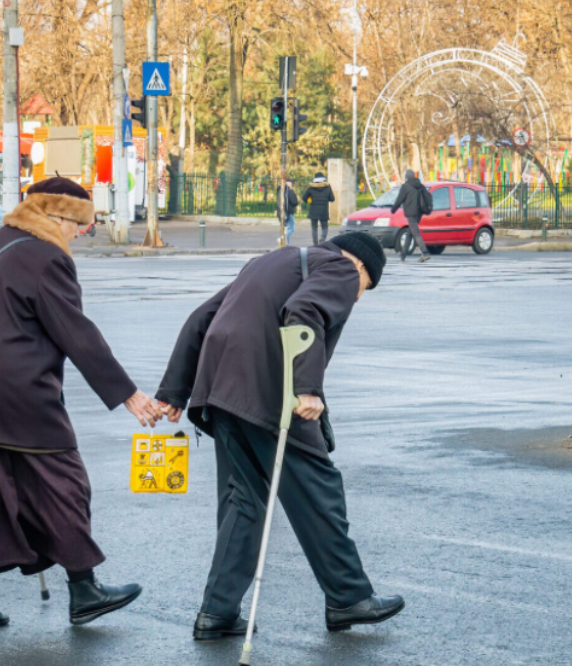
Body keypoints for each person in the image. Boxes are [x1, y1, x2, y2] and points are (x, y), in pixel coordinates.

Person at [0, 177, 162, 632]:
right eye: (81, 226)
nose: (80, 235)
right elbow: (75, 331)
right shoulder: (46, 256)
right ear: (58, 218)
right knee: (64, 483)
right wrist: (128, 394)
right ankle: (85, 589)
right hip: (14, 392)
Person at [155, 231, 405, 640]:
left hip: (220, 393)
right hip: (269, 393)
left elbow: (202, 318)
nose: (358, 298)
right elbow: (305, 310)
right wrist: (306, 388)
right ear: (360, 266)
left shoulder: (270, 261)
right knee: (318, 488)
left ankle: (217, 613)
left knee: (244, 499)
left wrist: (174, 391)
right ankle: (347, 598)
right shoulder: (342, 268)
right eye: (366, 288)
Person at [390, 169, 433, 263]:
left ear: (406, 177)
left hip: (411, 213)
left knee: (416, 233)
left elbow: (399, 199)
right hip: (419, 213)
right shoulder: (420, 185)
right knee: (410, 232)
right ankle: (403, 253)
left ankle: (425, 252)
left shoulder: (406, 186)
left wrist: (393, 209)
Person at [302, 172, 336, 245]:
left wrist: (310, 198)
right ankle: (322, 238)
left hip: (313, 211)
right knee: (325, 227)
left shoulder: (311, 188)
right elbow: (332, 199)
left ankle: (315, 244)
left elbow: (304, 198)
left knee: (314, 228)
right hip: (324, 211)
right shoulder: (327, 187)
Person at [278, 178, 299, 246]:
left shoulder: (280, 191)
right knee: (291, 229)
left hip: (281, 213)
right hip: (289, 212)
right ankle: (281, 238)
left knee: (286, 228)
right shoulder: (290, 191)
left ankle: (286, 244)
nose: (292, 185)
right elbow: (295, 202)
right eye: (291, 183)